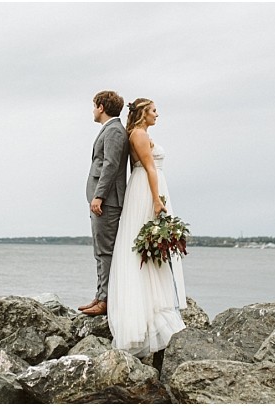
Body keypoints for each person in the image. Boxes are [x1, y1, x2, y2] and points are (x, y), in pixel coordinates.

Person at [107, 98, 187, 359]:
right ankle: (146, 311)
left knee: (151, 250)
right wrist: (155, 199)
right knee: (145, 246)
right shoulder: (139, 135)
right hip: (146, 190)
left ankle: (155, 303)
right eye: (154, 110)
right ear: (142, 113)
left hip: (149, 187)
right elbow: (149, 167)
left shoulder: (141, 133)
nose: (157, 114)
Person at [80, 90, 129, 316]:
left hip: (108, 201)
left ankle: (105, 300)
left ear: (101, 107)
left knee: (105, 251)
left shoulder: (115, 131)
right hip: (104, 200)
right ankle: (101, 295)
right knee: (100, 250)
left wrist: (99, 195)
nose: (92, 110)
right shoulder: (110, 129)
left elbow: (110, 165)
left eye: (94, 106)